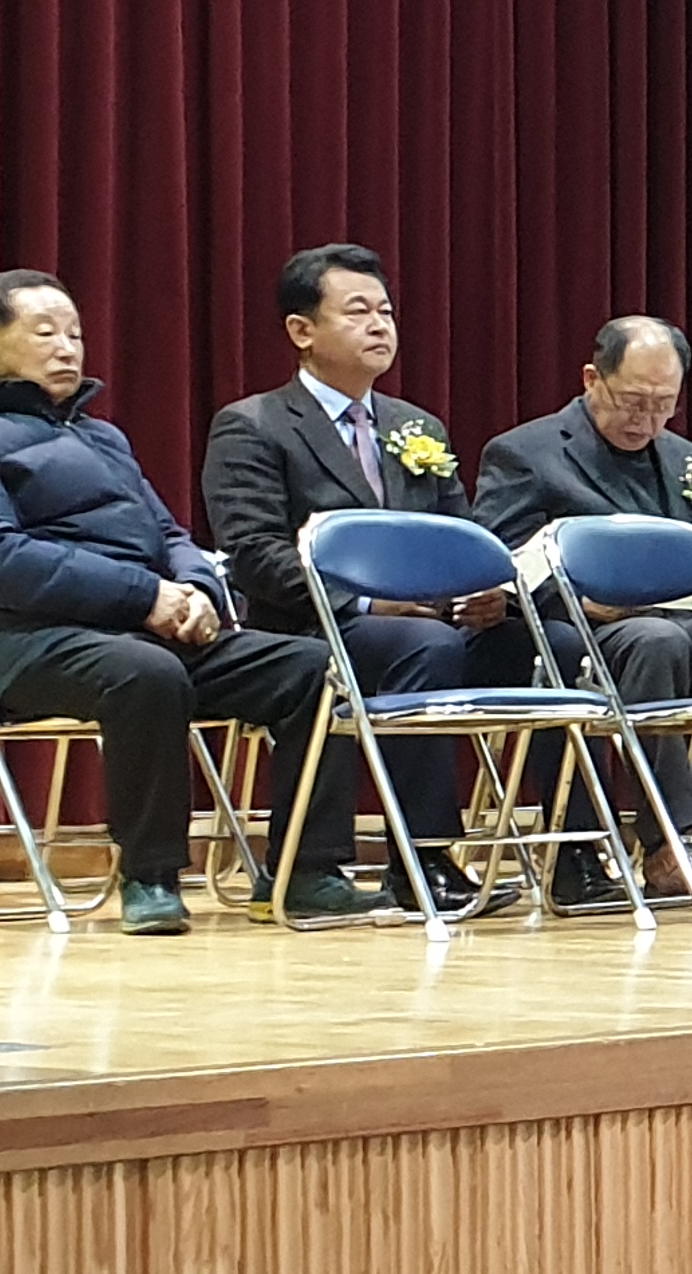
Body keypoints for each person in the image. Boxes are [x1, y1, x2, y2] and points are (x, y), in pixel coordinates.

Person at [0, 270, 367, 930]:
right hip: (26, 643)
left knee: (312, 667)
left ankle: (307, 869)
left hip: (142, 628)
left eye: (75, 334)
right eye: (45, 333)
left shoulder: (103, 437)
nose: (66, 348)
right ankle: (149, 876)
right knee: (145, 673)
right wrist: (144, 595)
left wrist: (198, 591)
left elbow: (170, 534)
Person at [199, 242, 559, 916]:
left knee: (552, 646)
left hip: (429, 625)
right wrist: (369, 602)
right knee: (424, 647)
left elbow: (459, 536)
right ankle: (423, 861)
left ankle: (576, 857)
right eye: (357, 311)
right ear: (302, 331)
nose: (379, 326)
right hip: (315, 630)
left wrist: (483, 591)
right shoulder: (253, 426)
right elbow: (254, 554)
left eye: (386, 312)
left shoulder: (415, 426)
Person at [474, 317, 692, 900]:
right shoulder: (526, 454)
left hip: (691, 621)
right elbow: (500, 562)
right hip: (589, 632)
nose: (646, 420)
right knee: (654, 641)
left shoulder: (689, 460)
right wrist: (578, 601)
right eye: (633, 401)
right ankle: (669, 842)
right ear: (592, 378)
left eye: (663, 405)